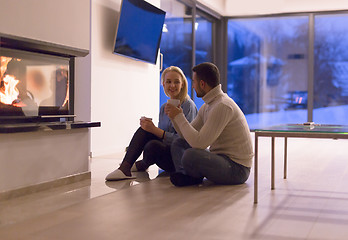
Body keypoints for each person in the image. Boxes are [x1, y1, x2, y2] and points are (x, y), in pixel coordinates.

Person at [164, 62, 253, 187]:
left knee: (191, 155)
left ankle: (191, 178)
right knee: (179, 142)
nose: (193, 86)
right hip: (221, 159)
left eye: (194, 82)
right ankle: (185, 175)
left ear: (202, 84)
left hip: (237, 169)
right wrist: (174, 116)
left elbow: (200, 143)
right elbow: (186, 136)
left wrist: (179, 116)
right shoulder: (208, 105)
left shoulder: (222, 105)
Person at [106, 66, 198, 181]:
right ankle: (125, 167)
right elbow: (161, 137)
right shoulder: (164, 107)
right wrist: (149, 128)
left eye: (176, 82)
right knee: (146, 133)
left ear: (183, 84)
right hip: (167, 153)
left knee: (153, 145)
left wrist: (155, 131)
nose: (172, 85)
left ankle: (142, 164)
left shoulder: (188, 106)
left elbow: (185, 141)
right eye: (168, 82)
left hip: (180, 158)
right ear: (163, 84)